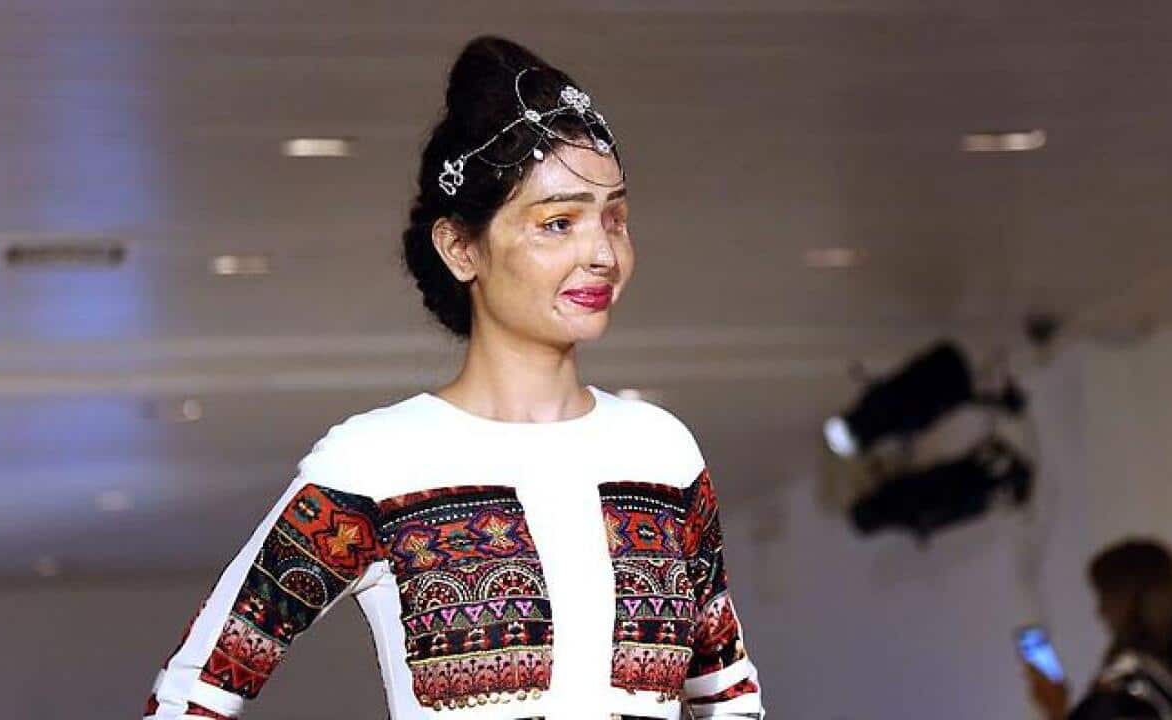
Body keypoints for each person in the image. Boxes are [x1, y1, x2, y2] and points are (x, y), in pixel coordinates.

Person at [143, 36, 765, 720]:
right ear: (460, 247)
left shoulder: (662, 452)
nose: (601, 252)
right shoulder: (376, 463)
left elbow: (727, 693)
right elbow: (193, 693)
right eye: (557, 223)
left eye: (613, 217)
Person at [1026, 538, 1172, 720]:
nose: (1100, 612)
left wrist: (1055, 709)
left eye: (1106, 599)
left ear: (1130, 602)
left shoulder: (1129, 684)